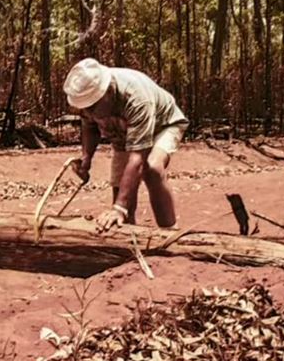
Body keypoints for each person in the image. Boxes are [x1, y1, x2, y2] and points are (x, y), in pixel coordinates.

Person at [62, 58, 189, 233]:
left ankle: (170, 233)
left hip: (164, 124)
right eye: (84, 108)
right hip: (125, 132)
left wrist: (119, 207)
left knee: (152, 168)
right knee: (120, 183)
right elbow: (89, 127)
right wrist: (86, 158)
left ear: (106, 93)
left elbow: (137, 158)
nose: (88, 113)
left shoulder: (137, 98)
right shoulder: (91, 101)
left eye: (91, 107)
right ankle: (128, 235)